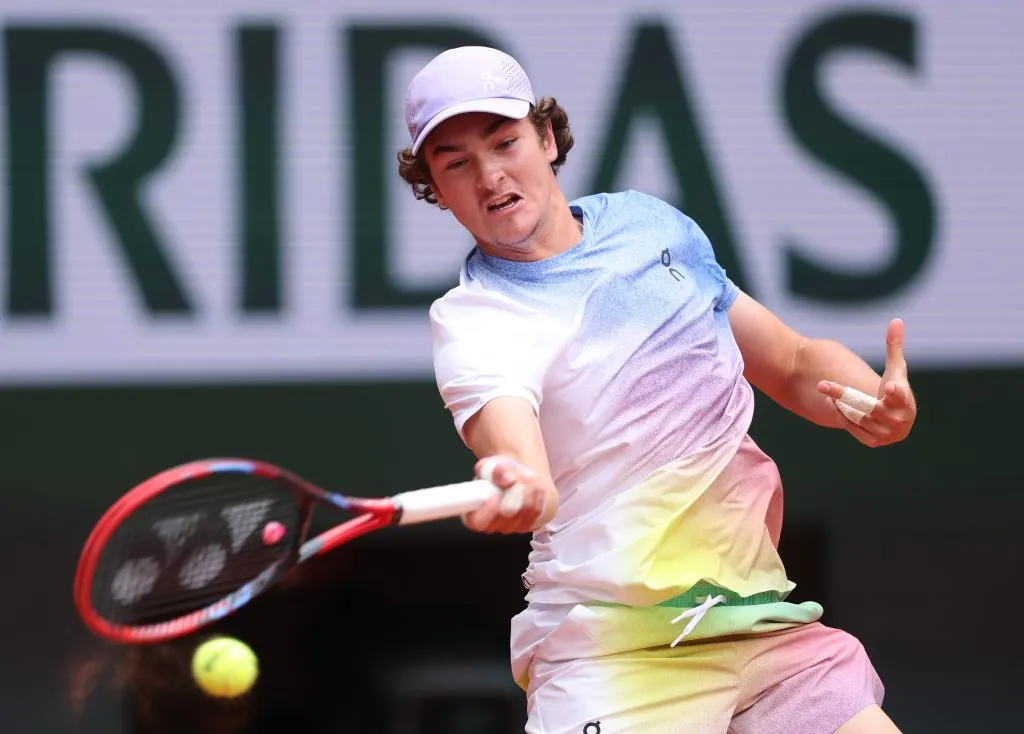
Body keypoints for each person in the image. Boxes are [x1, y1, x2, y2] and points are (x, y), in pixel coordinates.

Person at [397, 45, 916, 734]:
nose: (490, 175)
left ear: (547, 139)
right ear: (434, 187)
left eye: (505, 142)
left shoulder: (649, 226)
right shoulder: (476, 321)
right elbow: (521, 460)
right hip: (616, 654)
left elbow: (789, 362)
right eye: (456, 162)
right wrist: (514, 483)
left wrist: (867, 401)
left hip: (756, 622)